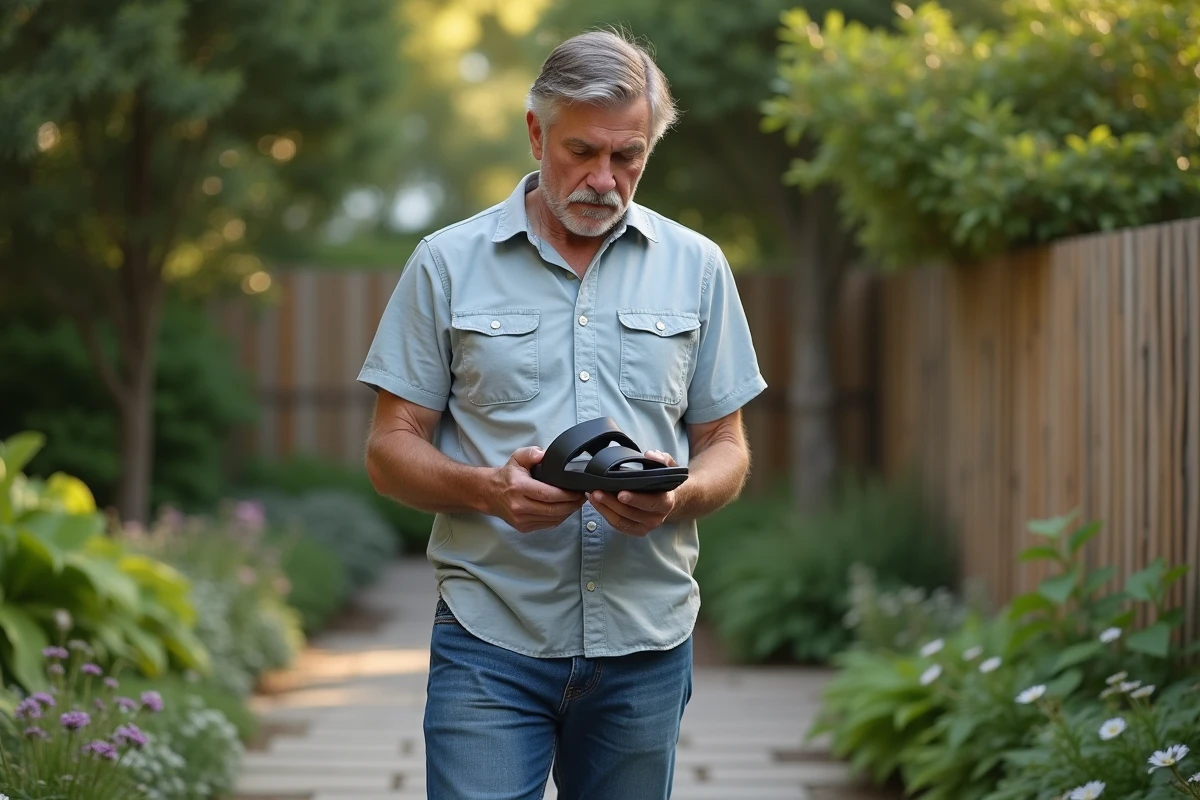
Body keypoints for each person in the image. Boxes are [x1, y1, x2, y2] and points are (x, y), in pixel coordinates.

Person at [358, 28, 767, 800]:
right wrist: (488, 490)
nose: (605, 179)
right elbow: (388, 448)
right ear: (536, 132)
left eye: (629, 156)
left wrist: (677, 496)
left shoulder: (699, 266)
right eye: (583, 151)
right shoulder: (446, 263)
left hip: (646, 644)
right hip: (491, 637)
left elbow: (726, 445)